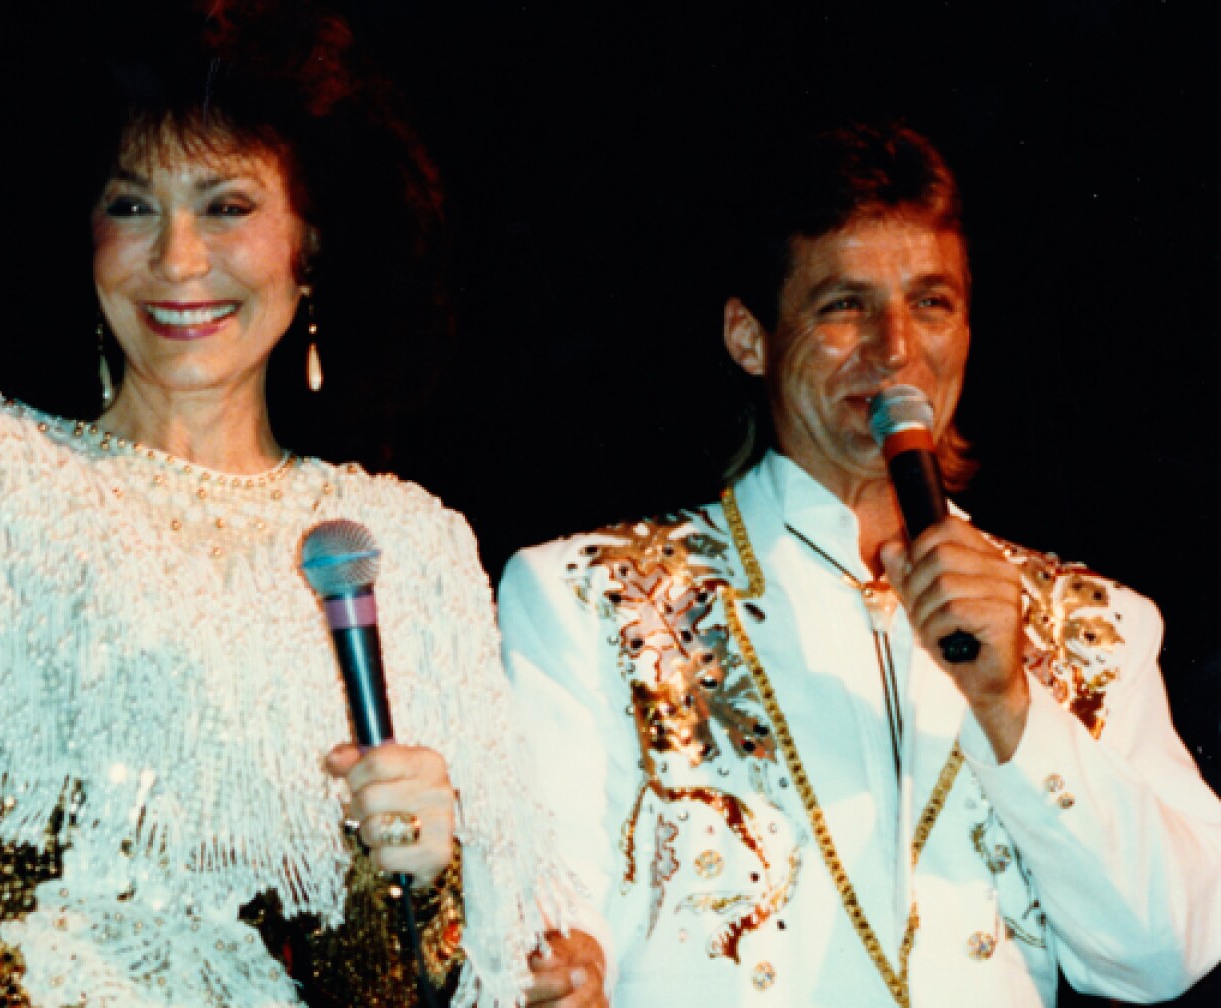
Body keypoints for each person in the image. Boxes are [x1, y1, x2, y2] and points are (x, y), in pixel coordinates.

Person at [0, 2, 573, 1005]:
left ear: (313, 243)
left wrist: (425, 882)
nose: (178, 260)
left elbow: (477, 975)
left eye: (227, 205)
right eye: (131, 204)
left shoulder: (411, 544)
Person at [498, 122, 1221, 1006]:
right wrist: (559, 956)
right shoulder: (587, 598)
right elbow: (546, 907)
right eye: (844, 305)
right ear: (749, 337)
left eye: (931, 302)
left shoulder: (1092, 621)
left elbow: (1169, 949)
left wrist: (1010, 705)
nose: (895, 349)